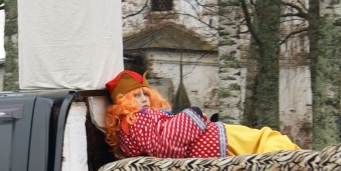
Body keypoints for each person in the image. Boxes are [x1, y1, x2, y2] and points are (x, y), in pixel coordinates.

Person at [104, 69, 300, 159]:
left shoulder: (136, 123)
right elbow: (167, 144)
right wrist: (193, 114)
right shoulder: (137, 122)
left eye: (145, 94)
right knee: (262, 139)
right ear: (124, 102)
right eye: (136, 96)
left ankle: (296, 156)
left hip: (214, 138)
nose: (144, 99)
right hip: (216, 142)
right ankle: (296, 158)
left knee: (261, 138)